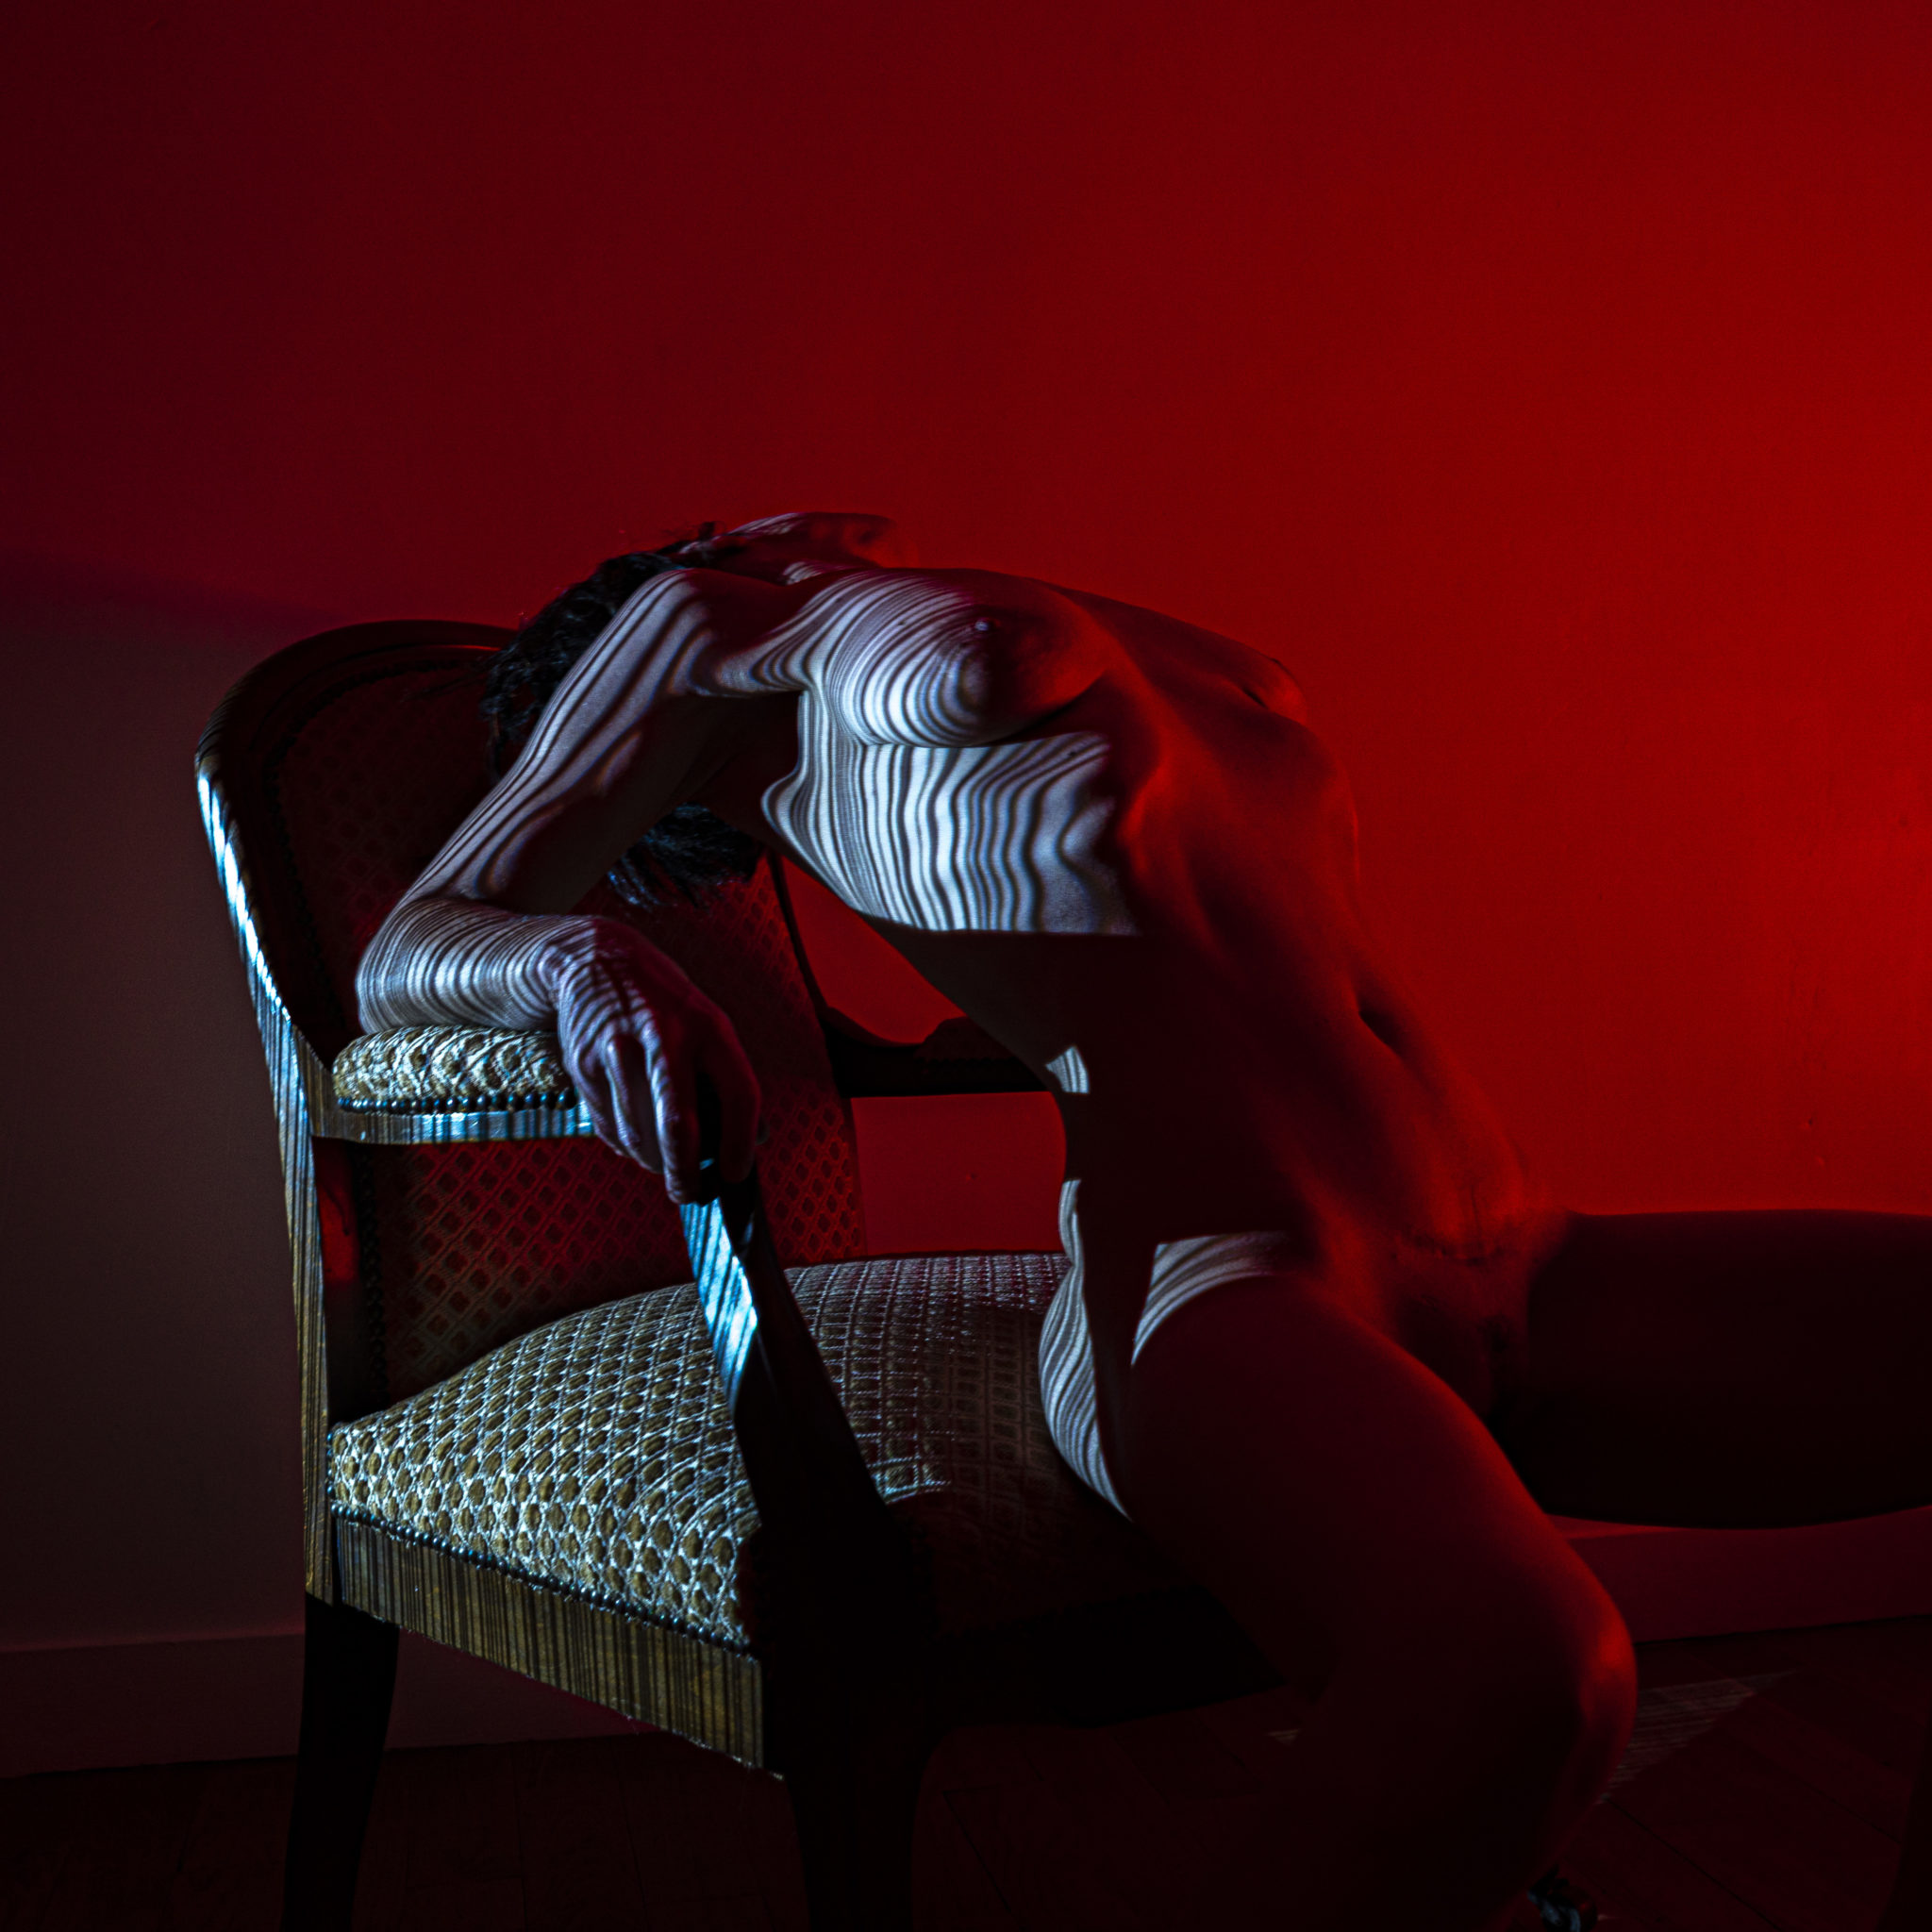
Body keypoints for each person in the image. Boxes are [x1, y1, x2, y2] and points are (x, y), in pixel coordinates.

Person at [357, 511, 1932, 1931]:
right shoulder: (699, 621)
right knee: (1524, 1686)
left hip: (1524, 1248)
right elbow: (412, 944)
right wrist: (581, 963)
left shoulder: (979, 630)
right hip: (1228, 1286)